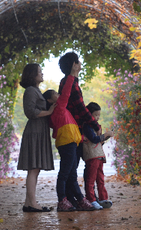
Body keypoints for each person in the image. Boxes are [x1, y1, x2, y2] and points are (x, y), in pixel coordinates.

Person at [43, 61, 95, 212]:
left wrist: (80, 138)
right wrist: (72, 75)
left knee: (71, 173)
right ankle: (63, 200)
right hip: (67, 144)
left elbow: (70, 125)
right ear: (50, 101)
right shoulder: (59, 109)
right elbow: (66, 93)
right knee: (66, 173)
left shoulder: (60, 111)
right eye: (55, 95)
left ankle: (79, 200)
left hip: (70, 142)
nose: (59, 96)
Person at [57, 52, 102, 208]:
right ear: (74, 65)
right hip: (72, 131)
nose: (80, 63)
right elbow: (81, 109)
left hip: (71, 131)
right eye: (78, 61)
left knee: (71, 167)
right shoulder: (71, 83)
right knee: (70, 168)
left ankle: (71, 199)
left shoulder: (67, 82)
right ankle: (71, 199)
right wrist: (96, 126)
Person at [17, 63, 56, 213]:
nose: (42, 74)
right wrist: (49, 111)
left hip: (39, 131)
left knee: (35, 169)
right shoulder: (31, 91)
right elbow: (30, 112)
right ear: (32, 75)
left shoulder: (35, 90)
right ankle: (32, 203)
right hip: (34, 132)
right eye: (39, 72)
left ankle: (29, 203)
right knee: (33, 169)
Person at [81, 102, 113, 209]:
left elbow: (100, 142)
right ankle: (91, 199)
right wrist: (105, 135)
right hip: (91, 155)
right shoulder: (87, 126)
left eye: (99, 115)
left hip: (99, 155)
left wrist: (105, 137)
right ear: (89, 114)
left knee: (100, 178)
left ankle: (103, 198)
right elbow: (94, 139)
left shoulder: (96, 126)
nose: (97, 117)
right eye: (95, 115)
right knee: (91, 178)